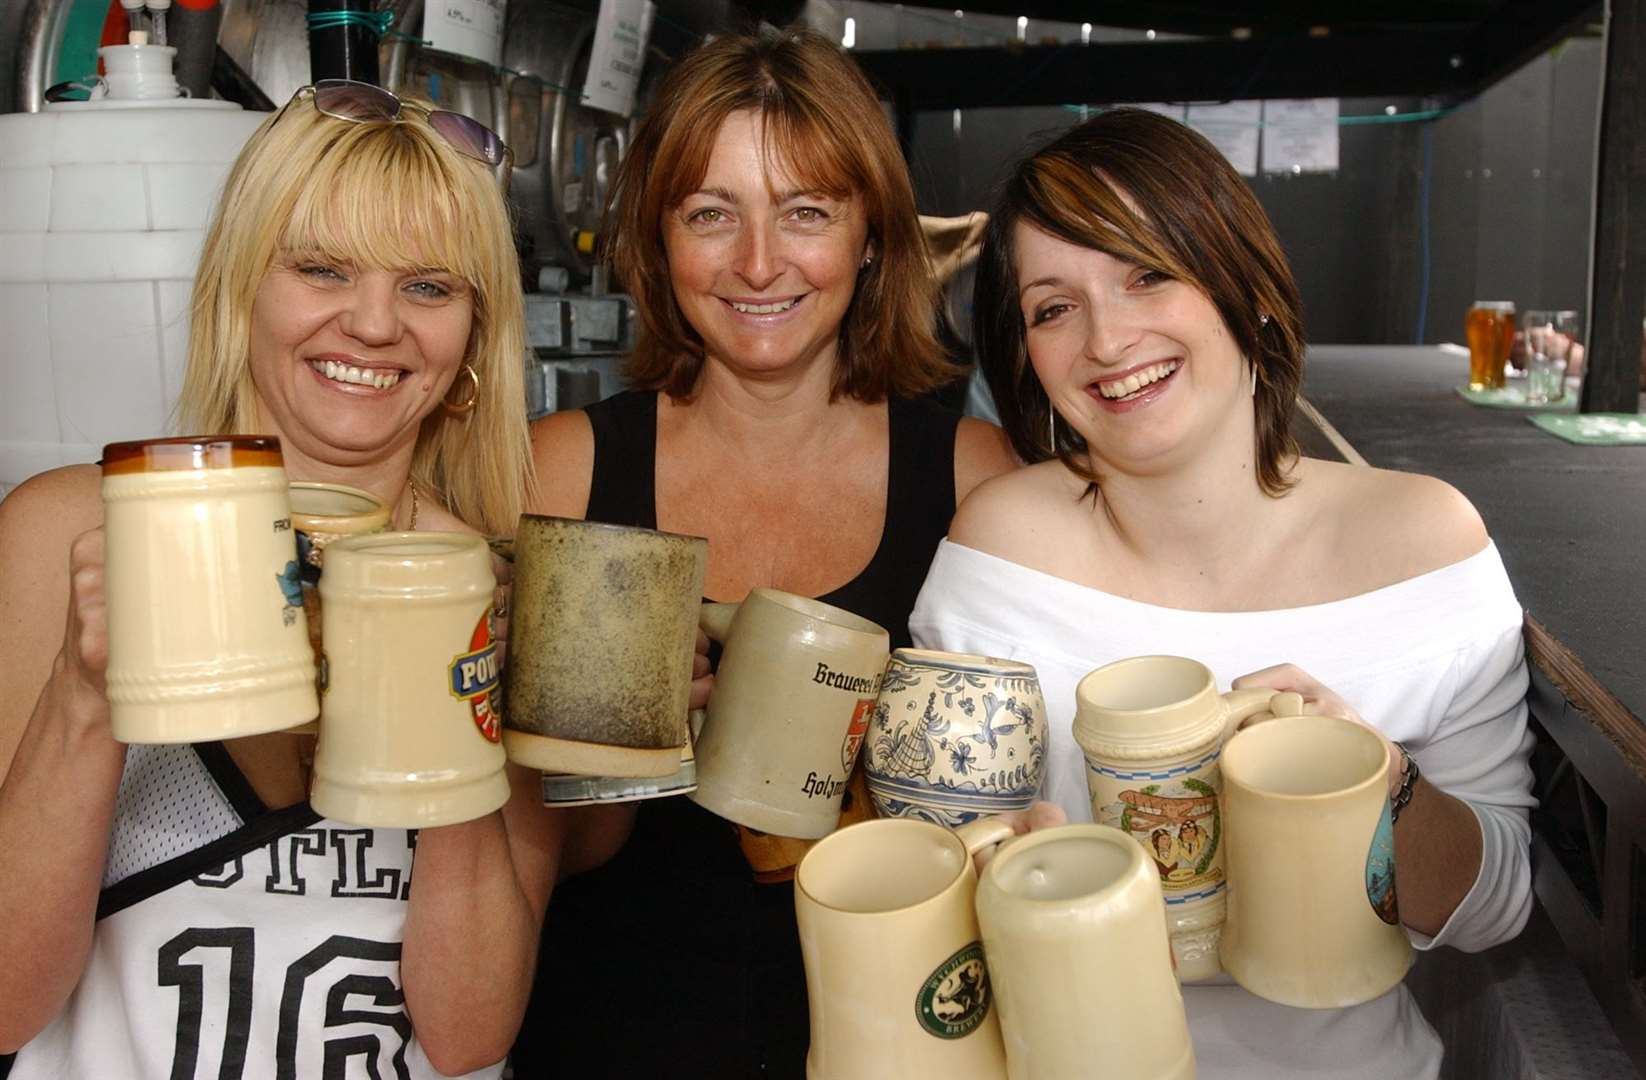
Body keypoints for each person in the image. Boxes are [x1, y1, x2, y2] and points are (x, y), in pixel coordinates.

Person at [909, 108, 1535, 1079]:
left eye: (1144, 273)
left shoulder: (1424, 539)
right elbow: (928, 905)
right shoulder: (999, 543)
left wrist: (1376, 782)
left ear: (1244, 288)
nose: (1106, 339)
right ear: (1023, 359)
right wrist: (991, 878)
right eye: (1050, 307)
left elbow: (1491, 909)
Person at [0, 83, 561, 1077]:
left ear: (473, 337)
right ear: (242, 284)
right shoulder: (69, 533)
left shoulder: (494, 583)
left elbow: (468, 1034)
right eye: (322, 269)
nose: (374, 324)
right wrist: (86, 699)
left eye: (430, 288)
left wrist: (462, 707)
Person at [510, 27, 1020, 1078]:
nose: (756, 263)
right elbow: (507, 844)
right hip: (609, 1036)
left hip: (904, 1041)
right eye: (711, 214)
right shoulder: (557, 472)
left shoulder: (977, 480)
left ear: (871, 235)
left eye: (804, 213)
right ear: (657, 242)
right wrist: (606, 730)